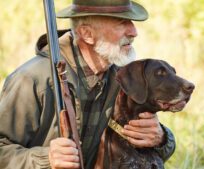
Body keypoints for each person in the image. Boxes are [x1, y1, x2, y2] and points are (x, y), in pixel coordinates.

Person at [0, 0, 176, 168]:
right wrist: (46, 159)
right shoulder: (32, 79)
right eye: (121, 22)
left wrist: (161, 138)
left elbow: (154, 147)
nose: (134, 31)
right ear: (87, 34)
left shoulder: (121, 78)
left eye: (131, 22)